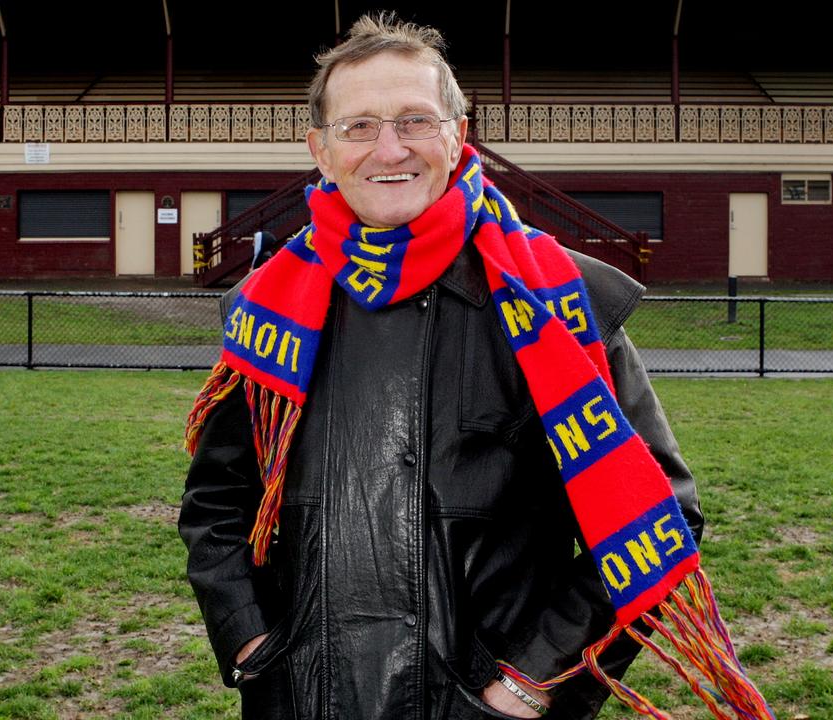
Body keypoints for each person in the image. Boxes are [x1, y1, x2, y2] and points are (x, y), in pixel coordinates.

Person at [179, 13, 703, 720]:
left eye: (415, 121)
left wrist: (531, 683)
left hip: (483, 705)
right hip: (304, 699)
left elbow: (658, 516)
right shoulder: (264, 308)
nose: (388, 148)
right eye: (358, 126)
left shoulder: (561, 302)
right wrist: (252, 644)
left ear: (458, 135)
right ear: (322, 150)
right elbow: (216, 508)